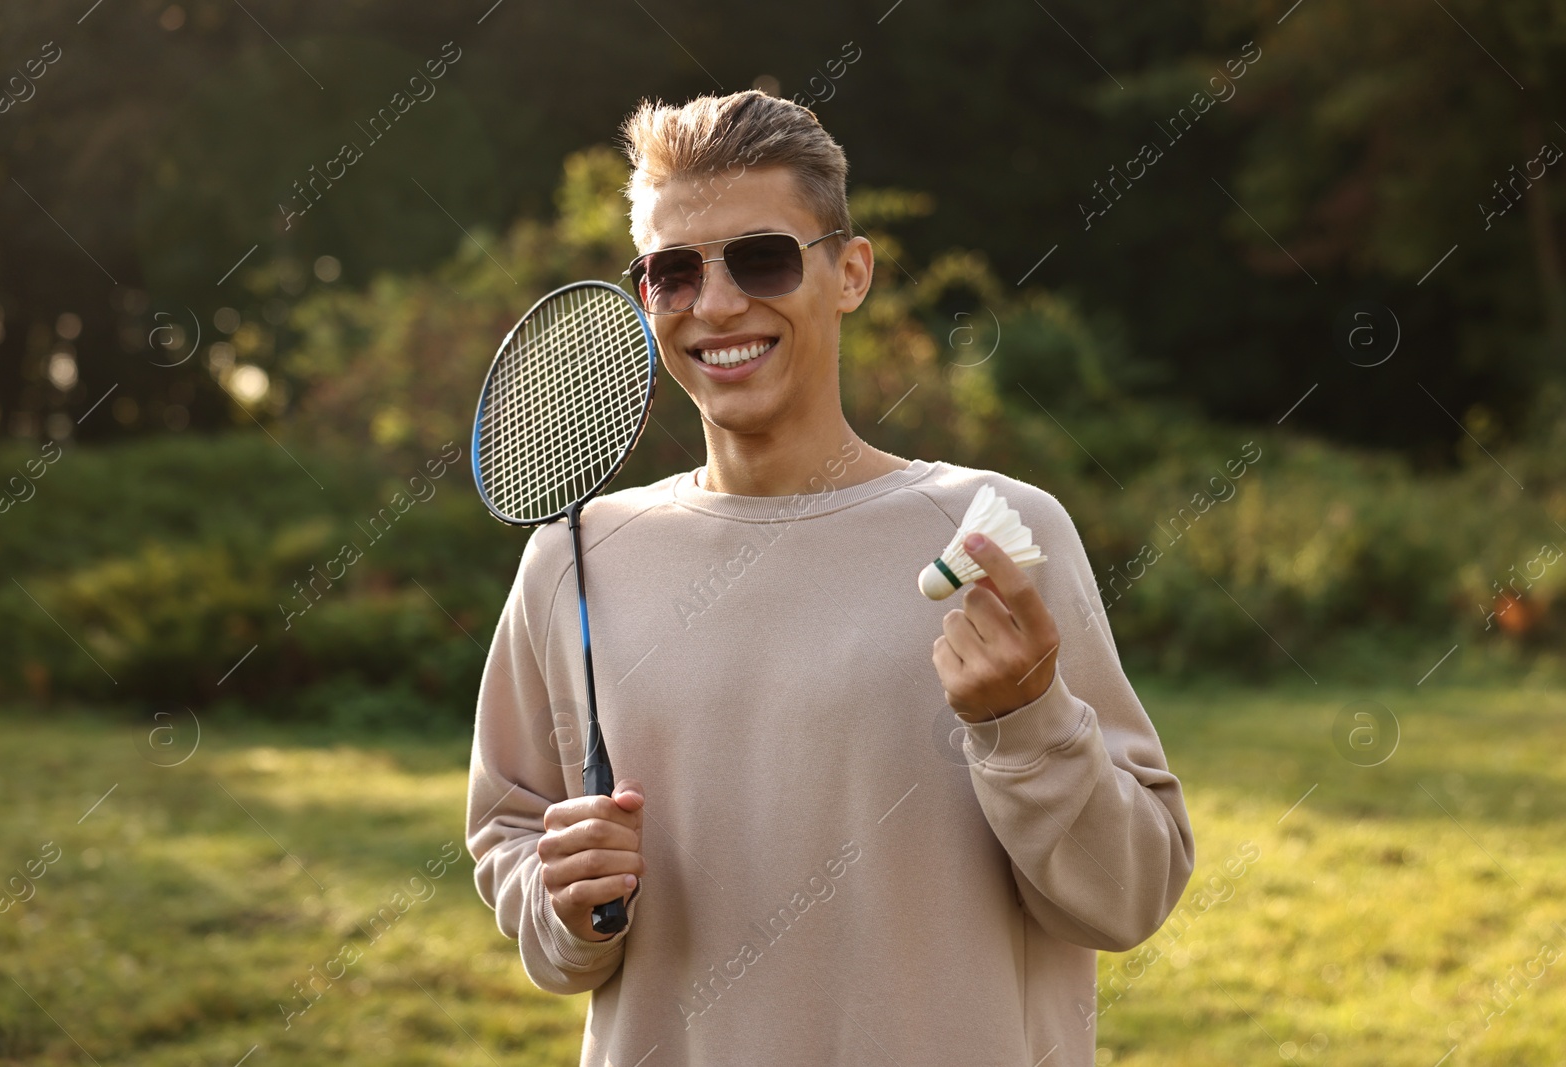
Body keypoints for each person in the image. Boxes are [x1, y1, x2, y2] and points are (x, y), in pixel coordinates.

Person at [465, 88, 1194, 1067]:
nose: (717, 303)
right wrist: (566, 907)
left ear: (849, 272)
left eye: (762, 258)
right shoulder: (574, 556)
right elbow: (516, 843)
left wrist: (1025, 718)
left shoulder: (992, 534)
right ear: (646, 298)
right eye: (674, 271)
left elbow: (1128, 895)